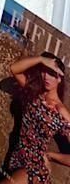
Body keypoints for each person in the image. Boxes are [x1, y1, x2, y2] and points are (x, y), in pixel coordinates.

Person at [7, 52, 70, 182]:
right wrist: (41, 59)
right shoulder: (35, 94)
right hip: (17, 158)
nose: (46, 76)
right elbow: (14, 68)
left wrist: (51, 156)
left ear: (59, 78)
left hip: (35, 167)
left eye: (51, 73)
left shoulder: (61, 111)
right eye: (44, 71)